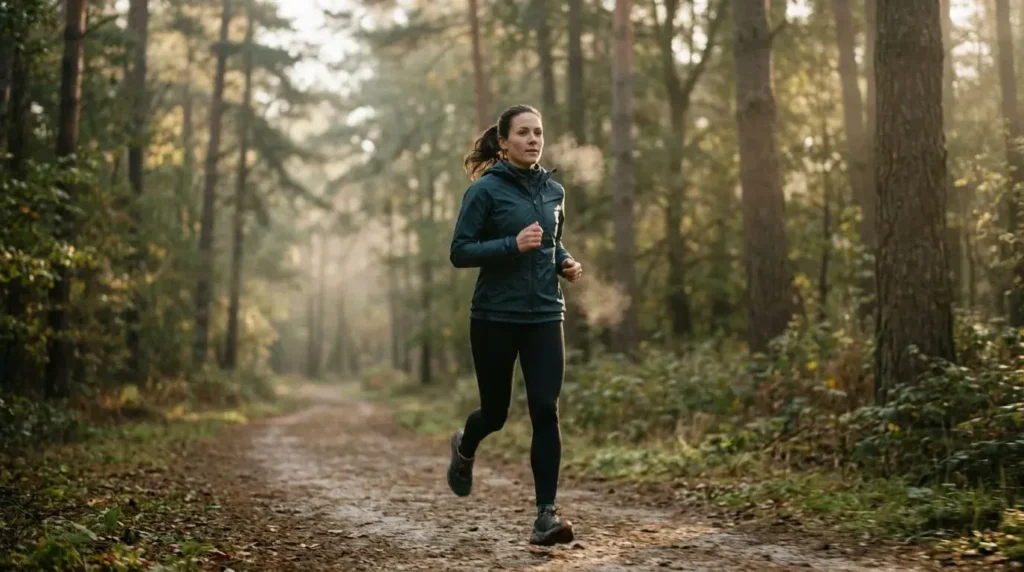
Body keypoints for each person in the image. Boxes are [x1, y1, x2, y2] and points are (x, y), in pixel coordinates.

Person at [446, 104, 583, 547]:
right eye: (523, 133)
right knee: (496, 413)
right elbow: (461, 251)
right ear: (503, 142)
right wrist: (512, 244)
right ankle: (465, 446)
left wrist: (563, 260)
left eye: (538, 132)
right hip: (494, 317)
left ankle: (546, 516)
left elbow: (552, 240)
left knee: (546, 410)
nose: (533, 139)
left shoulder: (554, 191)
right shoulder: (485, 191)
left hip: (545, 313)